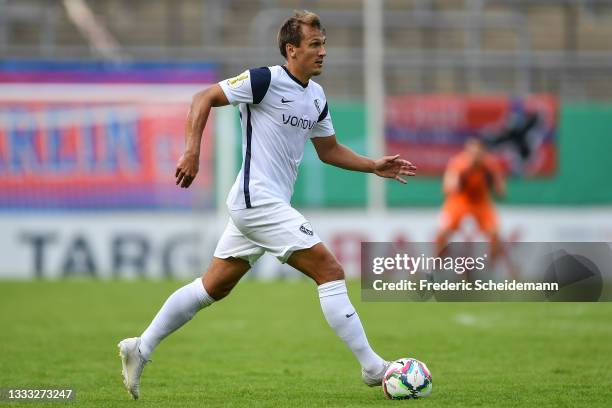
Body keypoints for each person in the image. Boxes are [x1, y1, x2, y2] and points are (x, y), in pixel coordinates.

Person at [118, 10, 416, 400]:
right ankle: (374, 368)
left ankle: (139, 348)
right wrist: (192, 151)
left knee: (213, 288)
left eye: (324, 43)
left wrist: (373, 165)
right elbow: (202, 97)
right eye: (314, 44)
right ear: (292, 50)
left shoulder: (317, 96)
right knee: (329, 269)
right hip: (256, 199)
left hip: (263, 205)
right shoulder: (264, 80)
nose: (323, 51)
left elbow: (329, 151)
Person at [435, 138, 505, 259]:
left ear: (483, 153)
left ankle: (491, 267)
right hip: (459, 201)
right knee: (441, 233)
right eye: (472, 153)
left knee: (495, 234)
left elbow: (501, 192)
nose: (475, 156)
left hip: (481, 203)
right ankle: (437, 265)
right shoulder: (458, 163)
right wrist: (461, 177)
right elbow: (446, 189)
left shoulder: (490, 165)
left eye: (478, 153)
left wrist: (493, 182)